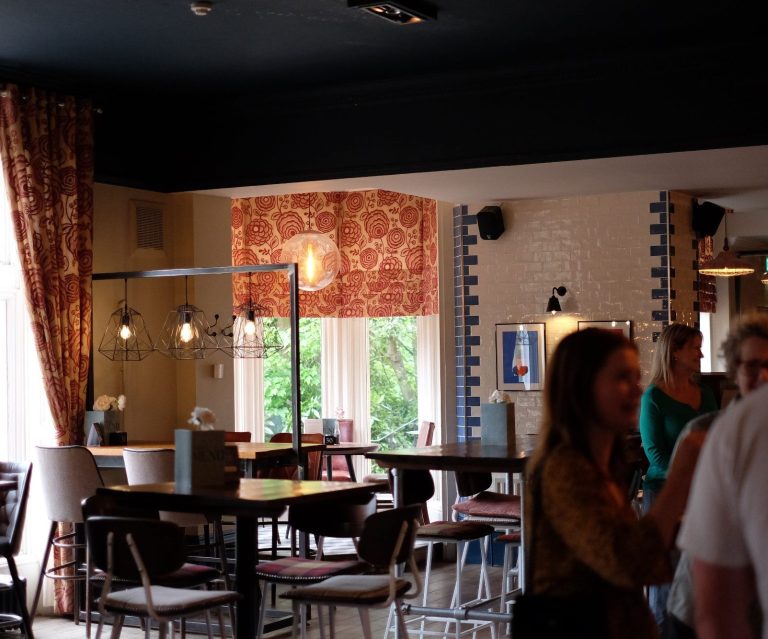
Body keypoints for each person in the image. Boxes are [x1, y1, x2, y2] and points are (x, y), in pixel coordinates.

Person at [527, 328, 705, 639]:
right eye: (622, 378)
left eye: (636, 378)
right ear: (582, 386)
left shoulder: (602, 465)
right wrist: (683, 468)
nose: (637, 391)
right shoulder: (564, 470)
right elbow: (628, 563)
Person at [666, 314, 768, 638]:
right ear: (735, 371)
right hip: (700, 603)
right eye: (752, 366)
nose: (762, 376)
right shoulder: (706, 432)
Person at [639, 323, 718, 629]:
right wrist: (685, 475)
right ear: (675, 351)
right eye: (695, 347)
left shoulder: (705, 394)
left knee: (700, 574)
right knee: (666, 580)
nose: (701, 353)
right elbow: (653, 452)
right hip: (664, 492)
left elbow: (714, 439)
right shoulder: (653, 397)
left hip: (703, 493)